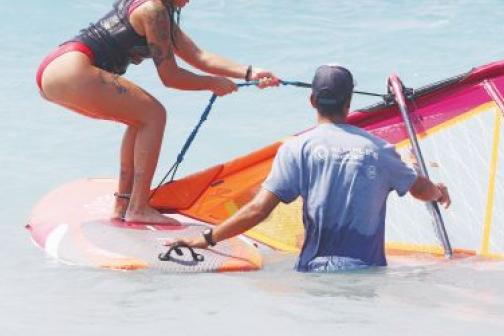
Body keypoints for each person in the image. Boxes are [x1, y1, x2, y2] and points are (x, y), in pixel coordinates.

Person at [36, 0, 279, 225]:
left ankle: (124, 205)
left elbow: (197, 55)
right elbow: (170, 77)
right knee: (154, 115)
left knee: (139, 118)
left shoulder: (151, 3)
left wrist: (250, 72)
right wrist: (213, 84)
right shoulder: (154, 11)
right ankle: (139, 208)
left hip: (56, 68)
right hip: (74, 68)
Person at [169, 65, 451, 272]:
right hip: (365, 274)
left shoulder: (296, 149)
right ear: (349, 102)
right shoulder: (379, 151)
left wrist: (207, 238)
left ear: (312, 100)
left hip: (312, 272)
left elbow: (258, 210)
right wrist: (438, 192)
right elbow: (419, 189)